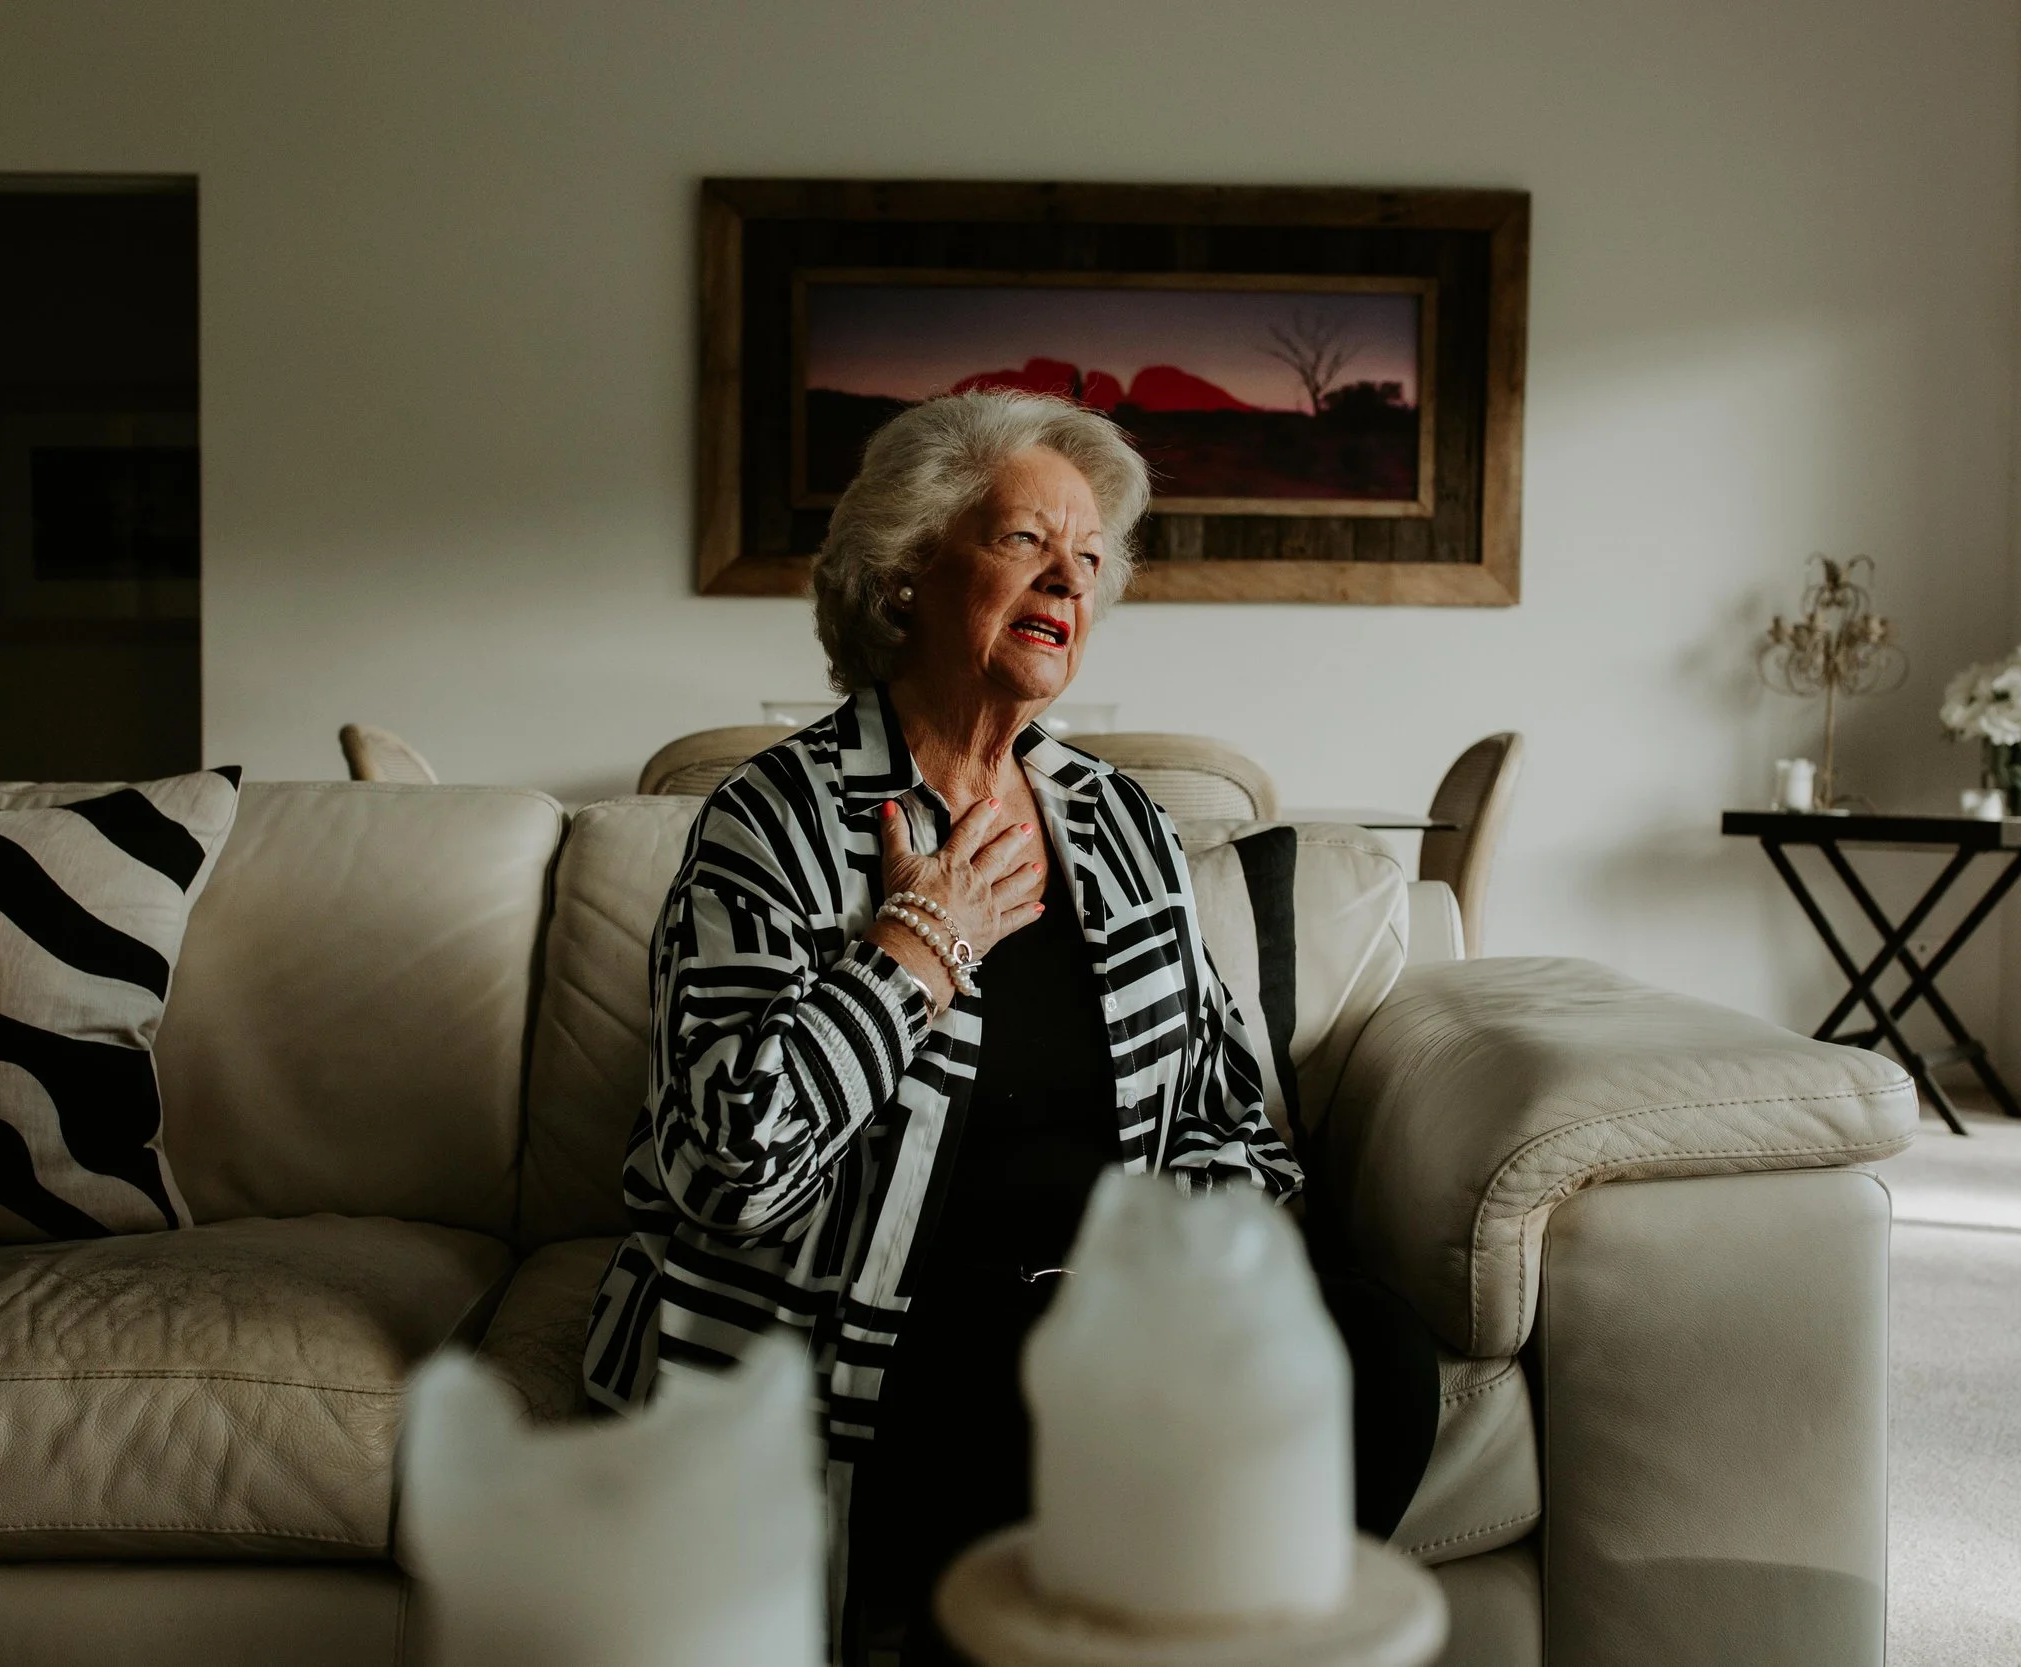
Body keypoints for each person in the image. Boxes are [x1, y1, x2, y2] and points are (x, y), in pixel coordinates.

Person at [584, 389, 1436, 1664]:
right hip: (889, 1313)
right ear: (907, 570)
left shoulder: (1119, 822)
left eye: (1090, 560)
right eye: (1025, 540)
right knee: (1021, 1395)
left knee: (1369, 1350)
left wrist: (1225, 1271)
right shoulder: (777, 820)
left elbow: (1215, 1105)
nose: (1070, 581)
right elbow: (727, 1165)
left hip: (1108, 1298)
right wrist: (916, 948)